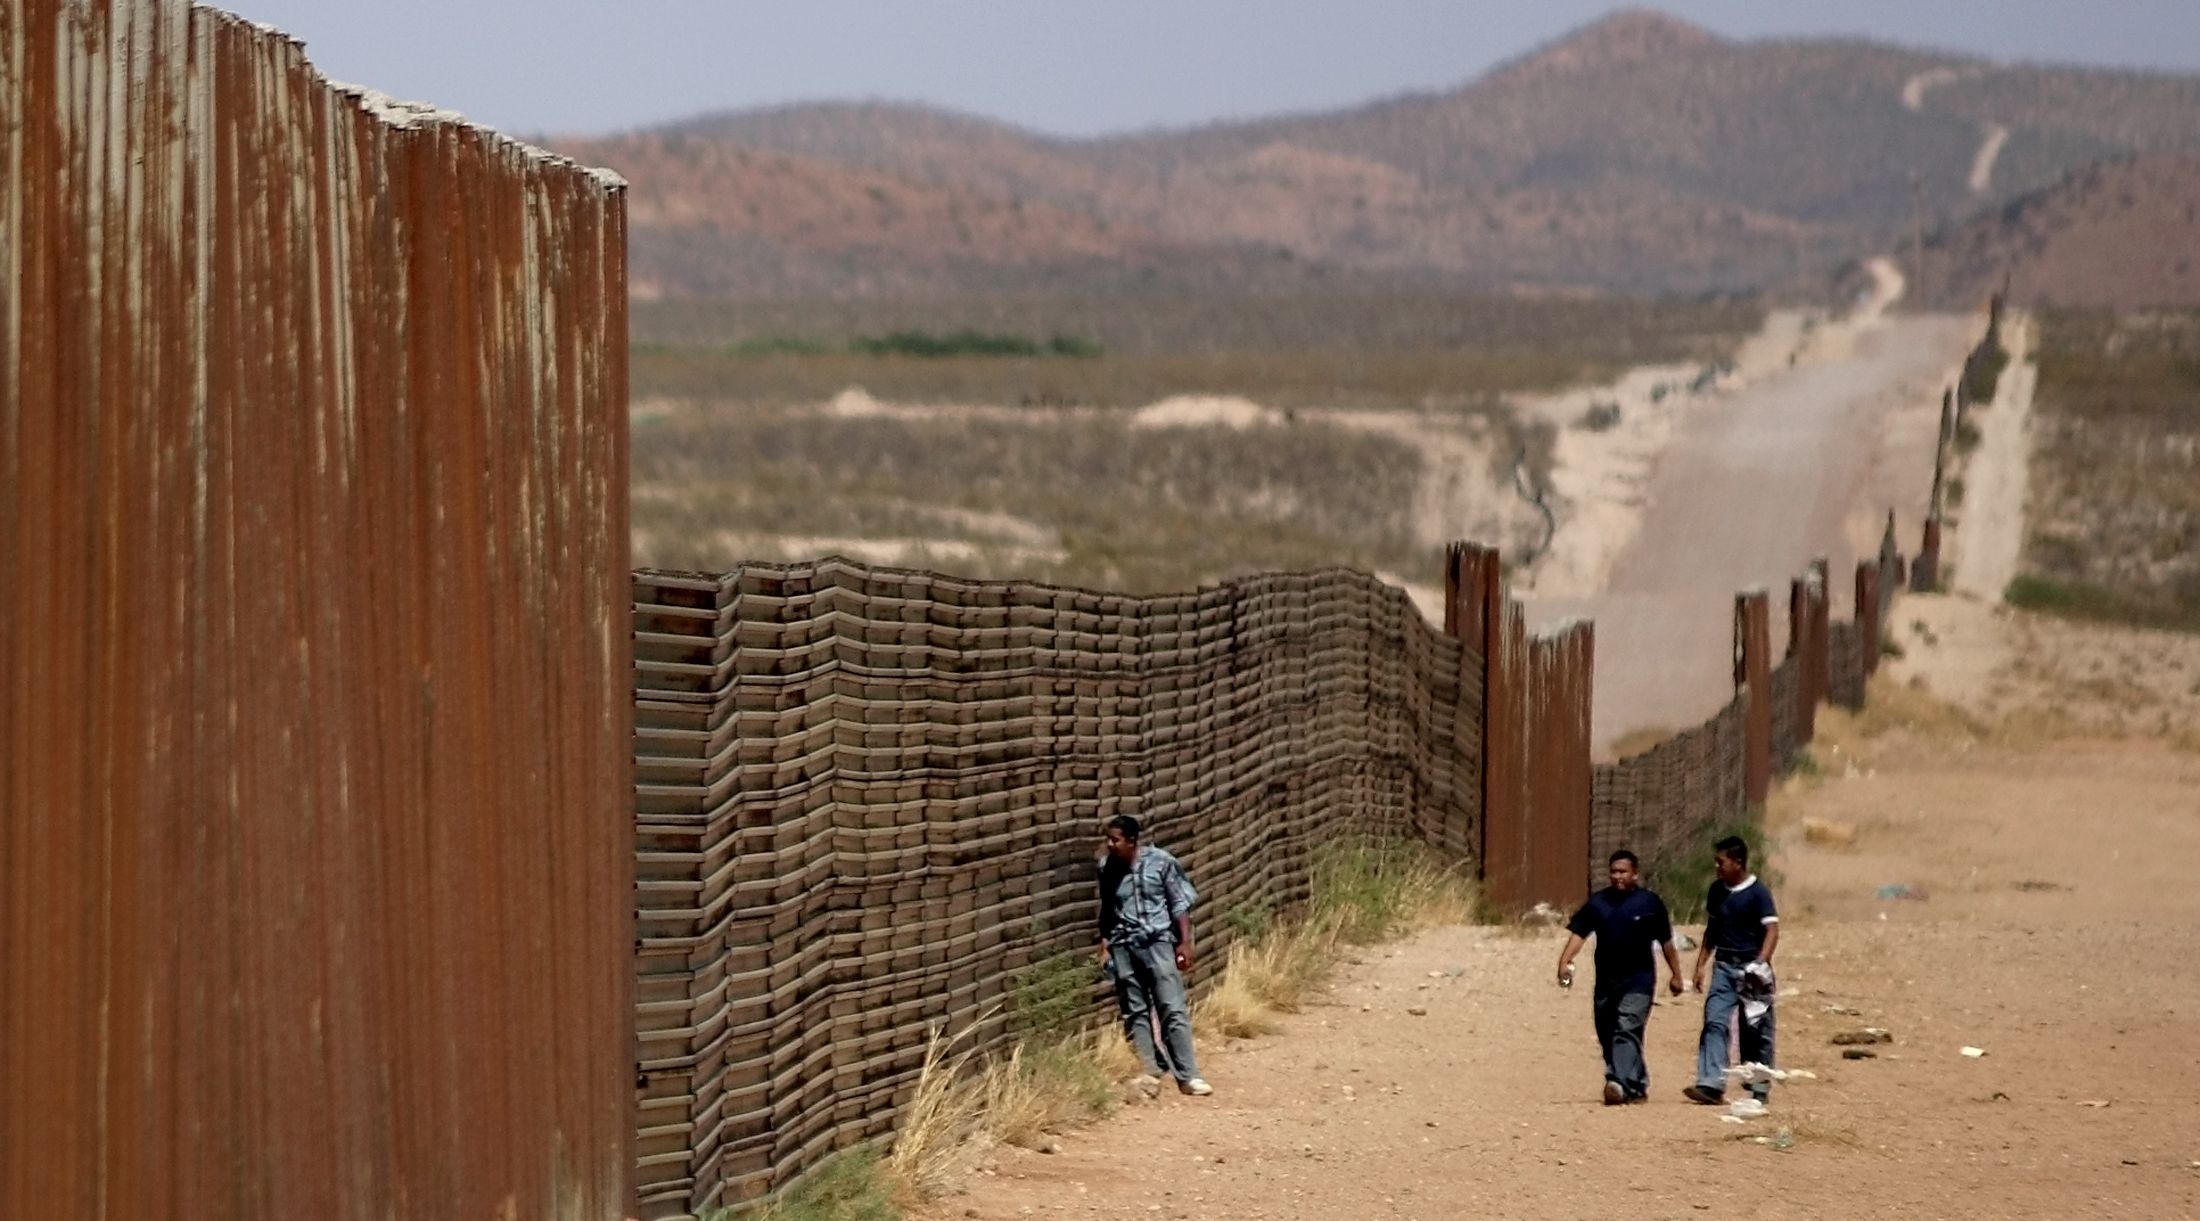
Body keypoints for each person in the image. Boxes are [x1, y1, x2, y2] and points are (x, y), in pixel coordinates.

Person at [1556, 849, 1684, 1104]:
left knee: (1626, 1028)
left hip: (1639, 981)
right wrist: (1564, 961)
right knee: (1607, 1032)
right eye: (1613, 872)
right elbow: (1579, 933)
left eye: (1623, 872)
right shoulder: (1598, 903)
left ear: (1635, 874)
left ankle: (1617, 1081)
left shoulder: (1649, 903)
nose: (1617, 876)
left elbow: (1666, 942)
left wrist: (1676, 975)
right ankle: (1635, 1085)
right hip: (1606, 982)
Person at [1097, 814, 1211, 1097]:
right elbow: (1107, 910)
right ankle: (1150, 1070)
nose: (1110, 844)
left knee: (1171, 1006)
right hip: (1124, 944)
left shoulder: (1161, 863)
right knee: (1134, 1009)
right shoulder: (1107, 868)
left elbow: (1179, 904)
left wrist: (1184, 943)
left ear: (1131, 840)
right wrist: (1106, 946)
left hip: (1158, 942)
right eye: (1108, 839)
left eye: (1115, 840)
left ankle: (1189, 1075)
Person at [1684, 836, 1780, 1108]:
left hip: (1752, 967)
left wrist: (1760, 963)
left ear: (1738, 862)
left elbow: (1772, 930)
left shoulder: (1758, 893)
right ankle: (1711, 1084)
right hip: (1724, 967)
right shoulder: (1717, 891)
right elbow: (1712, 930)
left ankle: (1758, 1086)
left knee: (1756, 1030)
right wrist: (1701, 965)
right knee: (1714, 1022)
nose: (1717, 867)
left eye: (1721, 862)